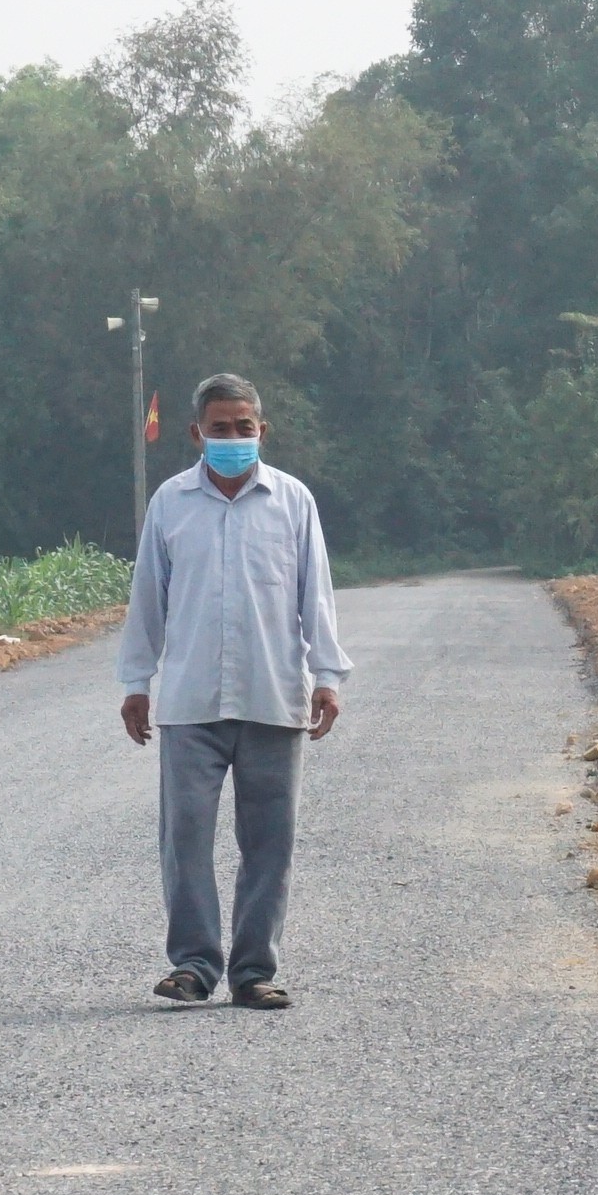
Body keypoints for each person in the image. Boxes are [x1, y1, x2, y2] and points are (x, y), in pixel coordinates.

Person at [116, 373, 347, 1007]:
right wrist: (138, 681)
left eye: (244, 428)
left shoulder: (293, 501)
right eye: (221, 428)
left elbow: (315, 596)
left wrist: (326, 677)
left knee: (270, 842)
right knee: (184, 836)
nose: (233, 438)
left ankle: (253, 970)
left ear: (261, 431)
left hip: (274, 696)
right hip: (190, 700)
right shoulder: (170, 503)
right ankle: (193, 964)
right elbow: (148, 600)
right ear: (197, 433)